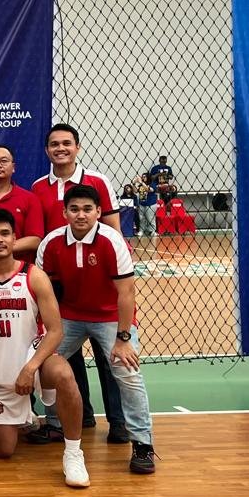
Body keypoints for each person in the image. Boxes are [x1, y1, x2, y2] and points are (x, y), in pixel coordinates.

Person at [0, 208, 89, 487]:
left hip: (35, 362)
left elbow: (56, 331)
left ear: (14, 238)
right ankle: (23, 417)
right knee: (4, 450)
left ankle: (74, 454)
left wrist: (30, 368)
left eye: (5, 233)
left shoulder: (34, 276)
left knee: (64, 374)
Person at [37, 185, 158, 474]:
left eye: (87, 209)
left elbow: (126, 292)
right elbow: (44, 293)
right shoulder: (51, 243)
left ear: (99, 212)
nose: (81, 215)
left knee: (128, 371)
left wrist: (123, 339)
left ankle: (143, 444)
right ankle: (55, 423)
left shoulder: (112, 241)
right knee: (42, 362)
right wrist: (46, 332)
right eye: (74, 209)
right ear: (64, 213)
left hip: (110, 317)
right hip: (68, 316)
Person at [27, 123, 127, 444]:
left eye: (66, 143)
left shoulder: (97, 181)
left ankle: (119, 422)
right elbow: (42, 236)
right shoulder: (38, 187)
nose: (61, 149)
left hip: (99, 283)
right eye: (54, 144)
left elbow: (113, 231)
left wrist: (115, 274)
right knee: (64, 355)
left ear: (77, 147)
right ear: (47, 150)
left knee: (108, 356)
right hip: (61, 286)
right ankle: (79, 415)